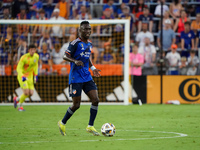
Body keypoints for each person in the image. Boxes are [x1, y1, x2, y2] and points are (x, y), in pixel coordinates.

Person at [57, 21, 101, 136]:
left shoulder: (89, 44)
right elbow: (65, 56)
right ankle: (62, 122)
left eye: (89, 29)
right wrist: (75, 61)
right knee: (76, 105)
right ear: (80, 30)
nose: (88, 31)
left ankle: (90, 126)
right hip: (75, 78)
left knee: (95, 100)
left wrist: (93, 67)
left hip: (87, 76)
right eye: (85, 29)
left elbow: (87, 57)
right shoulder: (75, 43)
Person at [13, 44, 39, 111]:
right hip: (23, 76)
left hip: (30, 76)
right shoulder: (23, 58)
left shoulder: (36, 57)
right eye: (32, 50)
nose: (33, 51)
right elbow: (18, 68)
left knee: (31, 93)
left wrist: (35, 75)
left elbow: (35, 66)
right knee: (26, 92)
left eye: (34, 50)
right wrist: (22, 76)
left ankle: (17, 99)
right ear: (29, 50)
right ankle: (20, 107)